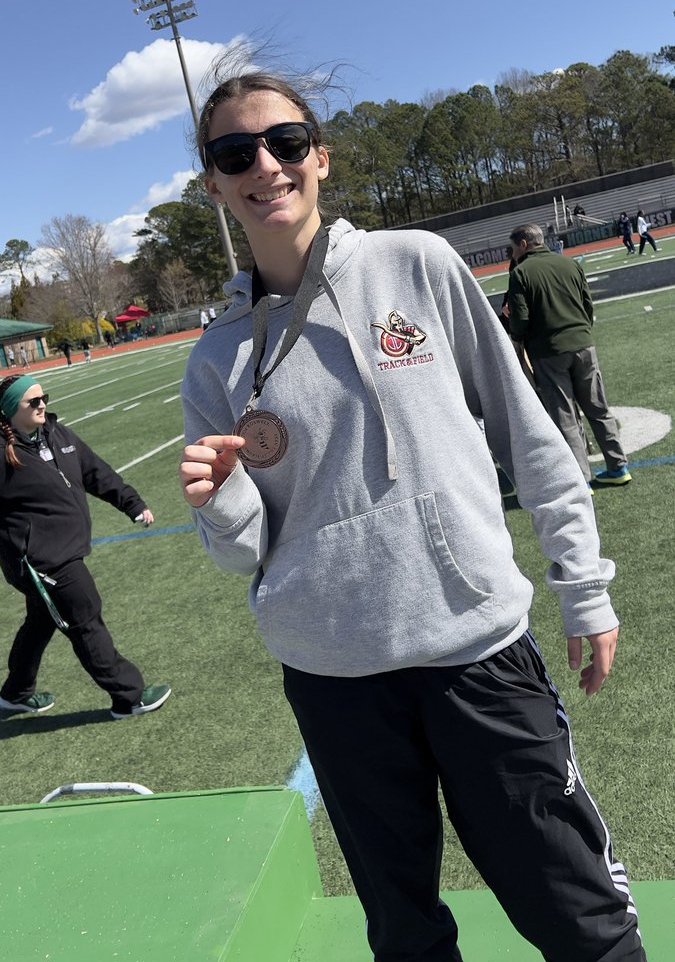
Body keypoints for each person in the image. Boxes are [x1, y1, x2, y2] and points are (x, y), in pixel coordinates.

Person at [179, 69, 644, 962]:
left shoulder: (415, 265)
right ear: (214, 181)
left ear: (319, 155)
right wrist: (224, 500)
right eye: (236, 153)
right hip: (333, 677)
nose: (264, 166)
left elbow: (531, 434)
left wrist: (582, 587)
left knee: (579, 916)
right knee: (405, 936)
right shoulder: (215, 361)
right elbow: (242, 556)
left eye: (283, 143)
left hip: (472, 648)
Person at [0, 374, 171, 720]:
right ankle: (129, 697)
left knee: (40, 621)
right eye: (32, 402)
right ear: (8, 410)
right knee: (85, 618)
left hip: (60, 550)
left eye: (42, 397)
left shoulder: (54, 433)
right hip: (42, 560)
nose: (42, 404)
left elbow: (95, 471)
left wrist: (131, 503)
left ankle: (15, 693)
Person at [508, 224, 631, 487]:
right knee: (598, 408)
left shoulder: (521, 272)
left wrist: (519, 337)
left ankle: (581, 480)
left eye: (514, 247)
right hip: (584, 344)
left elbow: (520, 319)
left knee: (565, 417)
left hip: (549, 351)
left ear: (524, 245)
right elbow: (587, 304)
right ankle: (619, 466)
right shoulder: (570, 264)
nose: (513, 253)